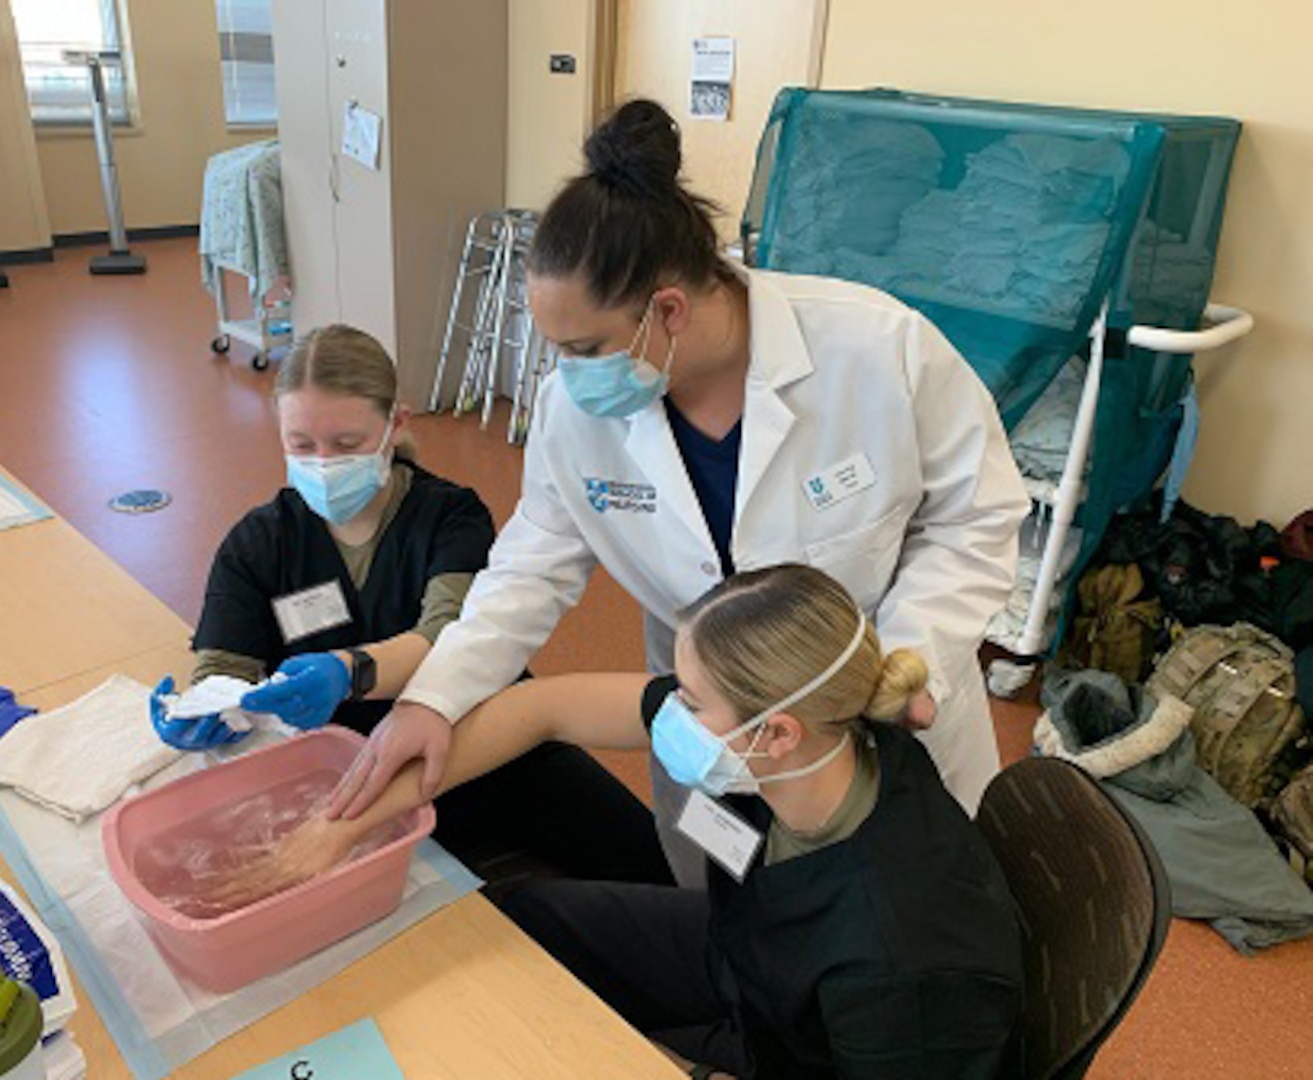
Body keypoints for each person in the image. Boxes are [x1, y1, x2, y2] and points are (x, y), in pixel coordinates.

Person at [260, 99, 1030, 883]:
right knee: (726, 904)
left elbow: (978, 517)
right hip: (706, 720)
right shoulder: (579, 411)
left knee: (888, 916)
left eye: (584, 347)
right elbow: (530, 570)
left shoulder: (878, 350)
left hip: (878, 719)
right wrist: (433, 698)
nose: (565, 374)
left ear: (667, 309)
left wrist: (901, 664)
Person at [219, 565, 1024, 1079]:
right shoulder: (823, 736)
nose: (666, 711)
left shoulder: (901, 962)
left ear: (772, 733)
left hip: (797, 1049)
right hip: (747, 957)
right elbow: (546, 707)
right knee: (516, 922)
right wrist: (349, 823)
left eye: (691, 700)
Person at [150, 324, 671, 888]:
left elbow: (451, 635)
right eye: (301, 445)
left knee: (647, 868)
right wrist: (205, 708)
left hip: (481, 737)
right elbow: (225, 663)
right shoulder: (258, 543)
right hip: (343, 773)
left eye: (346, 445)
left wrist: (348, 672)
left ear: (395, 424)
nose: (323, 463)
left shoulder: (448, 516)